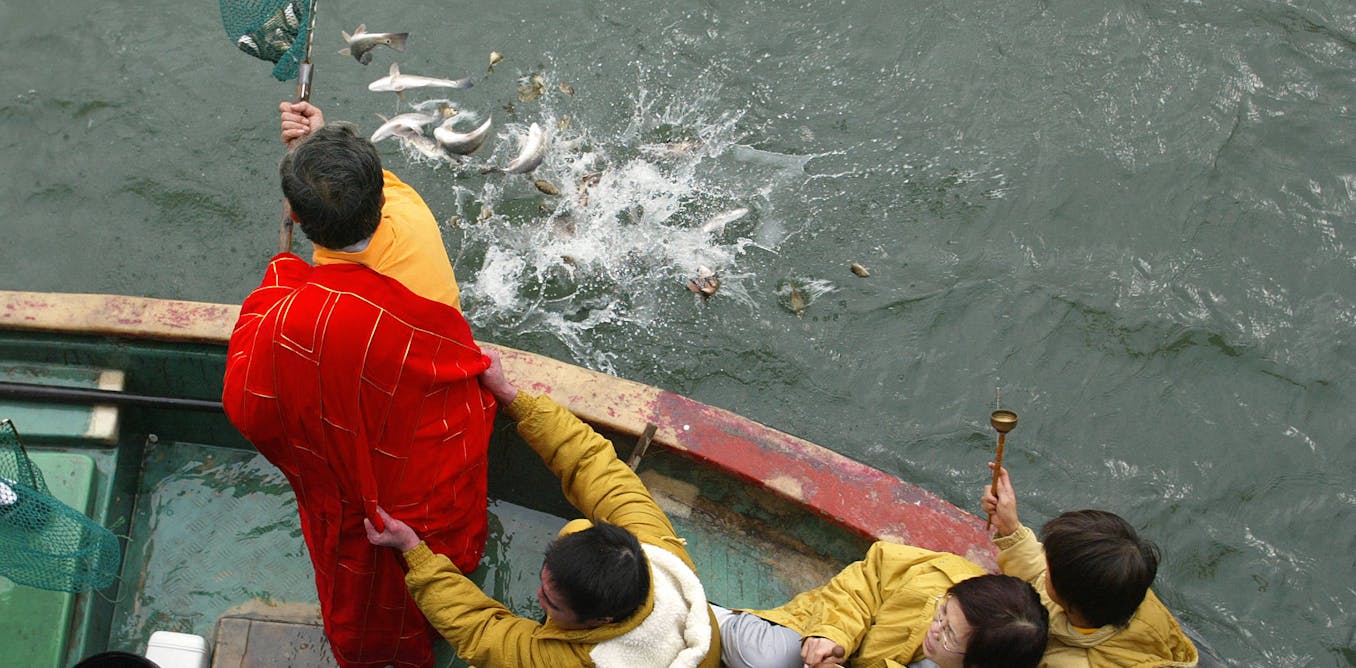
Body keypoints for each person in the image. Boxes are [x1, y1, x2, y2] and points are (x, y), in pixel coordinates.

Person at [221, 101, 496, 668]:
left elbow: (251, 406)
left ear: (296, 220)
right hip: (447, 437)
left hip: (383, 468)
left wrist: (277, 284)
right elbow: (350, 187)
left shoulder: (306, 316)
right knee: (442, 542)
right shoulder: (407, 205)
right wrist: (319, 145)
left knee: (372, 569)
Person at [365, 349, 720, 668]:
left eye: (550, 601)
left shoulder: (568, 662)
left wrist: (414, 551)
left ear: (601, 621)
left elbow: (483, 634)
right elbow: (590, 462)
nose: (538, 596)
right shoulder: (657, 547)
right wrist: (510, 395)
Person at [982, 466, 1199, 667]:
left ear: (1060, 593)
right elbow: (1047, 578)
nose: (1044, 568)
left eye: (1049, 569)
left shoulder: (1070, 663)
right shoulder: (1128, 591)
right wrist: (1011, 530)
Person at [717, 541, 1049, 668]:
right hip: (827, 634)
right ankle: (717, 620)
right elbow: (869, 576)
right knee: (760, 657)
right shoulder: (944, 575)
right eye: (944, 612)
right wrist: (833, 633)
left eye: (950, 635)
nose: (935, 629)